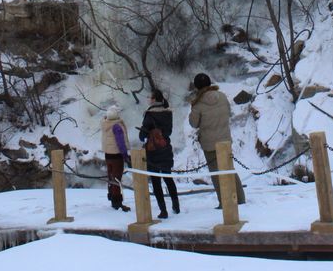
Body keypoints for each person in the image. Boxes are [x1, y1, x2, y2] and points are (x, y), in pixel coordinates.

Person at [189, 72, 245, 207]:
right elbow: (228, 112)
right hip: (225, 140)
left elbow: (193, 123)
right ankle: (240, 199)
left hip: (209, 143)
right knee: (229, 169)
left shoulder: (198, 104)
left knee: (216, 173)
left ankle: (225, 202)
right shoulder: (222, 96)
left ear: (197, 87)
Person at [139, 88, 180, 219]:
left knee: (156, 181)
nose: (148, 100)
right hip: (166, 148)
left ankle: (163, 210)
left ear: (154, 99)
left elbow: (142, 135)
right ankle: (176, 206)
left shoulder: (150, 114)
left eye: (150, 98)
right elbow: (168, 132)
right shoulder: (168, 113)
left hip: (153, 151)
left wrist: (144, 134)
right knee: (168, 178)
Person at [101, 104, 131, 212]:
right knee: (117, 178)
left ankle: (112, 197)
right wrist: (125, 155)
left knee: (111, 177)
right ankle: (117, 202)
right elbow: (121, 143)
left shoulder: (105, 124)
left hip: (107, 154)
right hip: (116, 155)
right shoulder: (116, 126)